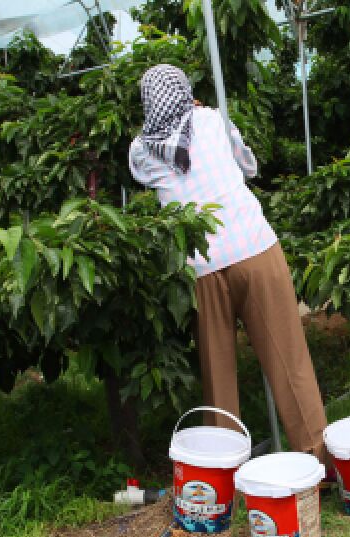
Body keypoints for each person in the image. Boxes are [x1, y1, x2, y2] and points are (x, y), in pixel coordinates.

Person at [129, 64, 327, 460]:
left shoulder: (140, 150)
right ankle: (317, 460)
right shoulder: (212, 120)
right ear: (186, 92)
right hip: (253, 247)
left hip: (201, 266)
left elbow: (146, 179)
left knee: (217, 376)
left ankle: (224, 474)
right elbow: (248, 167)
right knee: (289, 360)